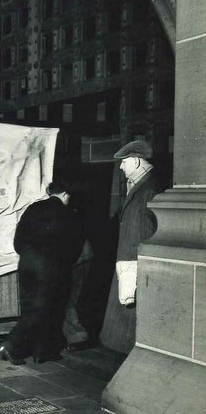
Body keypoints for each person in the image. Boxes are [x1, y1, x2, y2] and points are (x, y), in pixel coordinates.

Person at [0, 181, 85, 365]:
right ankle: (10, 345)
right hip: (51, 268)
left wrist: (30, 255)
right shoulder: (69, 214)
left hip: (27, 264)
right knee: (47, 310)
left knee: (31, 308)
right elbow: (74, 248)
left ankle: (41, 352)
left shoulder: (33, 208)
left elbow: (18, 242)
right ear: (65, 194)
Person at [99, 140, 159, 354]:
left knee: (132, 315)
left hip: (137, 262)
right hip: (129, 261)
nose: (121, 167)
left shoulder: (151, 188)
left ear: (135, 161)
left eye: (124, 163)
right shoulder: (141, 186)